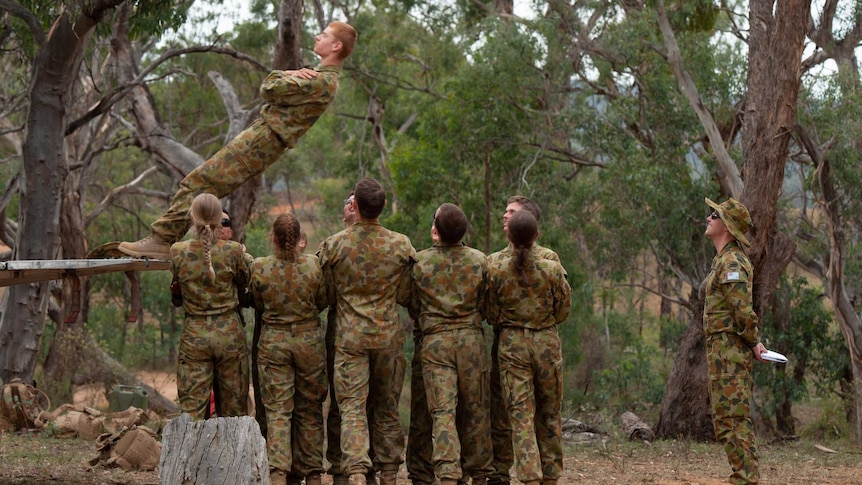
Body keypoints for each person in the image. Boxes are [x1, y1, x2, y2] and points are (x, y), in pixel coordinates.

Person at [118, 21, 358, 260]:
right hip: (264, 137)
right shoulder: (320, 78)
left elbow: (269, 88)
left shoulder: (320, 81)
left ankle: (161, 240)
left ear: (336, 45)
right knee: (203, 185)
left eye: (324, 35)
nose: (317, 37)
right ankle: (172, 240)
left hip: (263, 139)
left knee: (198, 183)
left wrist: (286, 73)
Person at [317, 178, 416, 485]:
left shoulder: (334, 245)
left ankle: (357, 473)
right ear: (383, 206)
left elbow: (326, 294)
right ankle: (388, 473)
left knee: (352, 410)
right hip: (388, 339)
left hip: (349, 340)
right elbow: (405, 293)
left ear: (355, 206)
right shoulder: (401, 245)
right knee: (386, 408)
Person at [410, 203, 493, 485]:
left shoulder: (420, 262)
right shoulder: (480, 260)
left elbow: (411, 301)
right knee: (476, 408)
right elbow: (488, 302)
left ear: (436, 230)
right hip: (471, 342)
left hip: (435, 343)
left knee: (442, 411)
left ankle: (447, 474)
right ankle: (480, 474)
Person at [486, 210, 571, 485]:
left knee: (520, 414)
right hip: (546, 342)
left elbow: (489, 311)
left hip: (512, 345)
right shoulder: (552, 268)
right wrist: (542, 323)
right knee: (549, 412)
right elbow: (563, 310)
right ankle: (551, 476)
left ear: (509, 236)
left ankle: (529, 477)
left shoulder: (495, 267)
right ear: (537, 236)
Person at [250, 213, 328, 485]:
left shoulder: (260, 268)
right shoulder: (314, 267)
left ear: (272, 238)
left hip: (274, 343)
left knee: (278, 412)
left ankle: (279, 474)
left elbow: (259, 304)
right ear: (299, 239)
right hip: (309, 342)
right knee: (310, 410)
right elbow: (322, 300)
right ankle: (314, 474)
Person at [170, 193, 251, 419]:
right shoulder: (234, 251)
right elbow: (245, 286)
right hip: (230, 335)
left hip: (194, 335)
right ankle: (233, 455)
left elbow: (178, 294)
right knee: (234, 411)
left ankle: (192, 454)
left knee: (191, 414)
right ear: (219, 218)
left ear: (193, 218)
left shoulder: (178, 251)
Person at [703, 197, 767, 485]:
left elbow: (741, 309)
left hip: (730, 351)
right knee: (725, 419)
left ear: (726, 226)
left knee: (733, 419)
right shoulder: (724, 259)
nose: (708, 218)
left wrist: (754, 343)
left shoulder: (731, 262)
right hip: (721, 351)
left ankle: (745, 479)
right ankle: (743, 476)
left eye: (713, 214)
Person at [325, 192, 380, 485]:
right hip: (342, 327)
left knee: (368, 403)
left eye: (353, 201)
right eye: (345, 202)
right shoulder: (335, 244)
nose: (349, 205)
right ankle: (339, 467)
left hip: (355, 332)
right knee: (342, 403)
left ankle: (366, 468)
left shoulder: (337, 246)